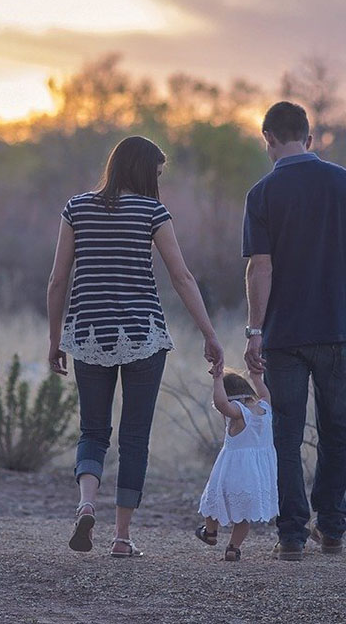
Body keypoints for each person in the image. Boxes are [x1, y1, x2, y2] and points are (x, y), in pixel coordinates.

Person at [46, 135, 224, 558]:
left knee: (93, 430)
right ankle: (122, 538)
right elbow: (181, 277)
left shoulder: (76, 208)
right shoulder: (152, 212)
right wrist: (209, 333)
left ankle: (87, 503)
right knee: (135, 437)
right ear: (144, 171)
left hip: (88, 334)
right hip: (143, 335)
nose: (159, 182)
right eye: (157, 173)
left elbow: (57, 280)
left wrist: (56, 340)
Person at [240, 101, 346, 561]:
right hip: (338, 330)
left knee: (285, 434)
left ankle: (291, 535)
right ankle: (333, 527)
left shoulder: (261, 193)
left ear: (267, 138)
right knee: (337, 429)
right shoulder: (345, 182)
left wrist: (254, 330)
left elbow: (258, 268)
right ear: (309, 137)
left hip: (284, 336)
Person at [194, 368, 278, 561]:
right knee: (244, 515)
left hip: (232, 471)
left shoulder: (239, 413)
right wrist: (256, 377)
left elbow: (221, 403)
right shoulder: (265, 408)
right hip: (256, 475)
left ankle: (211, 532)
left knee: (213, 501)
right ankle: (233, 548)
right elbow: (265, 393)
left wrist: (217, 380)